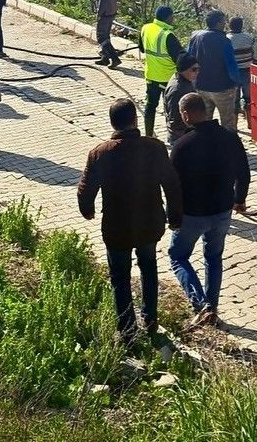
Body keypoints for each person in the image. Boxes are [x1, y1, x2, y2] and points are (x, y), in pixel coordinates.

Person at [77, 98, 181, 340]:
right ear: (135, 120)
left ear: (112, 123)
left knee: (120, 277)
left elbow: (85, 189)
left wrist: (87, 209)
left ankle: (126, 329)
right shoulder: (154, 147)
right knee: (148, 266)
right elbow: (172, 184)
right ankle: (150, 317)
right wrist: (175, 216)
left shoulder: (100, 153)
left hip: (116, 228)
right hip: (150, 222)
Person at [168, 93, 250, 327]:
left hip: (192, 215)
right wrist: (239, 199)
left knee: (178, 256)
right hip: (223, 211)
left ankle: (200, 303)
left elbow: (172, 187)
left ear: (185, 115)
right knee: (213, 257)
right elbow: (243, 172)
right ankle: (212, 308)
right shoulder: (230, 138)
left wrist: (172, 216)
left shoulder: (181, 146)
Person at [187, 10, 241, 132]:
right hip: (223, 88)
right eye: (223, 22)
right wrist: (237, 82)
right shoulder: (224, 40)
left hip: (200, 85)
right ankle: (228, 147)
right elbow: (231, 65)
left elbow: (188, 58)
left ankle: (206, 146)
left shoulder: (195, 37)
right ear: (218, 23)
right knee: (227, 123)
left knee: (203, 122)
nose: (225, 24)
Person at [139, 6, 183, 138]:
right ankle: (173, 136)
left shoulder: (145, 28)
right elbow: (180, 58)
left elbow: (142, 49)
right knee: (171, 108)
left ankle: (148, 135)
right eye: (172, 17)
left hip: (151, 75)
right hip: (168, 78)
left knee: (150, 106)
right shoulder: (167, 35)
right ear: (168, 18)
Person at [228, 17, 257, 122]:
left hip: (232, 73)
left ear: (229, 26)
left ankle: (235, 125)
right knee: (249, 99)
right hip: (247, 71)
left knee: (234, 100)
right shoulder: (249, 38)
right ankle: (250, 123)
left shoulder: (226, 39)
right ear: (241, 25)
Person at [163, 54, 199, 145]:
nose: (197, 72)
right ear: (183, 70)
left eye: (198, 69)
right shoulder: (177, 90)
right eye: (194, 69)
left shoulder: (185, 80)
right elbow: (174, 120)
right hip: (181, 137)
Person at [92, 0, 121, 68]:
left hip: (105, 14)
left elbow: (102, 1)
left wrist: (99, 14)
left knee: (101, 38)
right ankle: (105, 58)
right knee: (106, 36)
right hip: (111, 12)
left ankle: (114, 58)